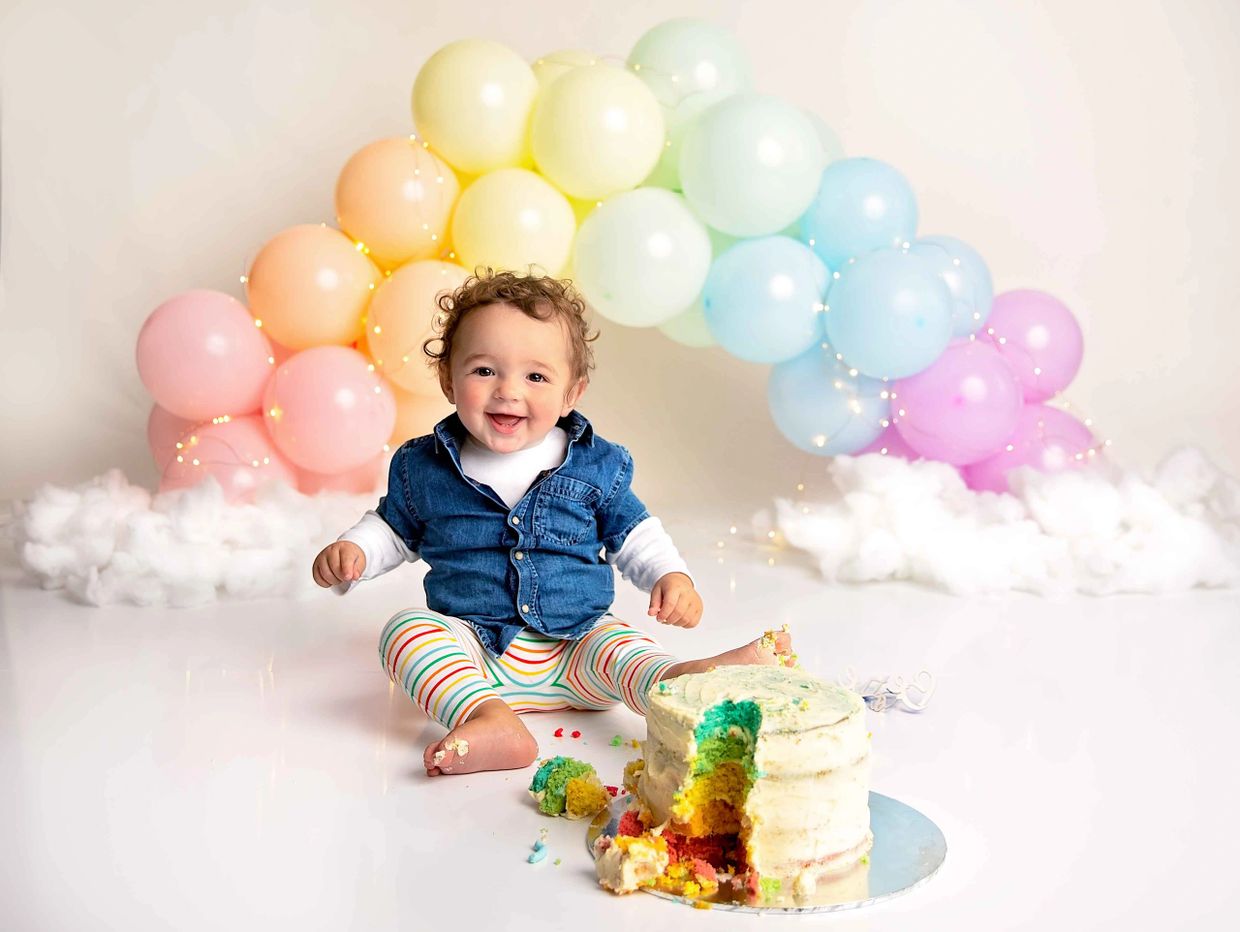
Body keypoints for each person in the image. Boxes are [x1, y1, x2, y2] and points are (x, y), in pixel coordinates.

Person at [312, 270, 793, 777]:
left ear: (571, 393)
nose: (507, 392)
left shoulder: (593, 465)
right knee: (405, 633)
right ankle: (487, 717)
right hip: (476, 653)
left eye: (535, 377)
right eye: (483, 371)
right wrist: (357, 553)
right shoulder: (423, 467)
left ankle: (678, 682)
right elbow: (394, 529)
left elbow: (632, 531)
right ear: (448, 379)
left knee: (621, 646)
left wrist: (669, 576)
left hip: (578, 649)